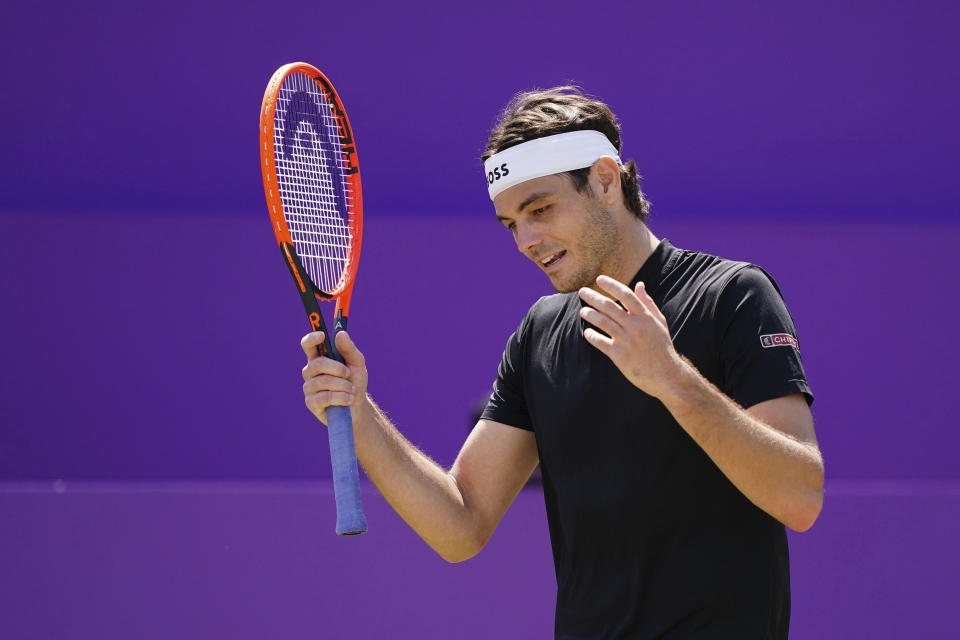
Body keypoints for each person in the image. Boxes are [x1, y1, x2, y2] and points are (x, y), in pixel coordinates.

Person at [300, 87, 823, 639]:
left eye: (540, 209)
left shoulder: (733, 296)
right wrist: (360, 415)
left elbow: (801, 497)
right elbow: (460, 525)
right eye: (510, 224)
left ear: (605, 180)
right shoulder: (539, 333)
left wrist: (670, 379)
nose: (526, 240)